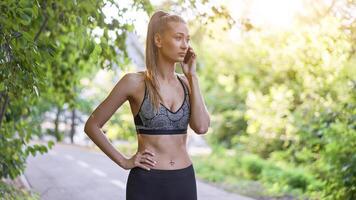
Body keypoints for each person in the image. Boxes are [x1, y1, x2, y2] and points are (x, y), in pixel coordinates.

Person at [84, 10, 210, 200]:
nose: (185, 45)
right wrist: (124, 161)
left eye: (187, 39)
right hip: (147, 183)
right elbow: (92, 126)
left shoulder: (187, 83)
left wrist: (193, 77)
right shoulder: (134, 82)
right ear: (158, 40)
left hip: (183, 181)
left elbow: (201, 127)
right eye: (178, 38)